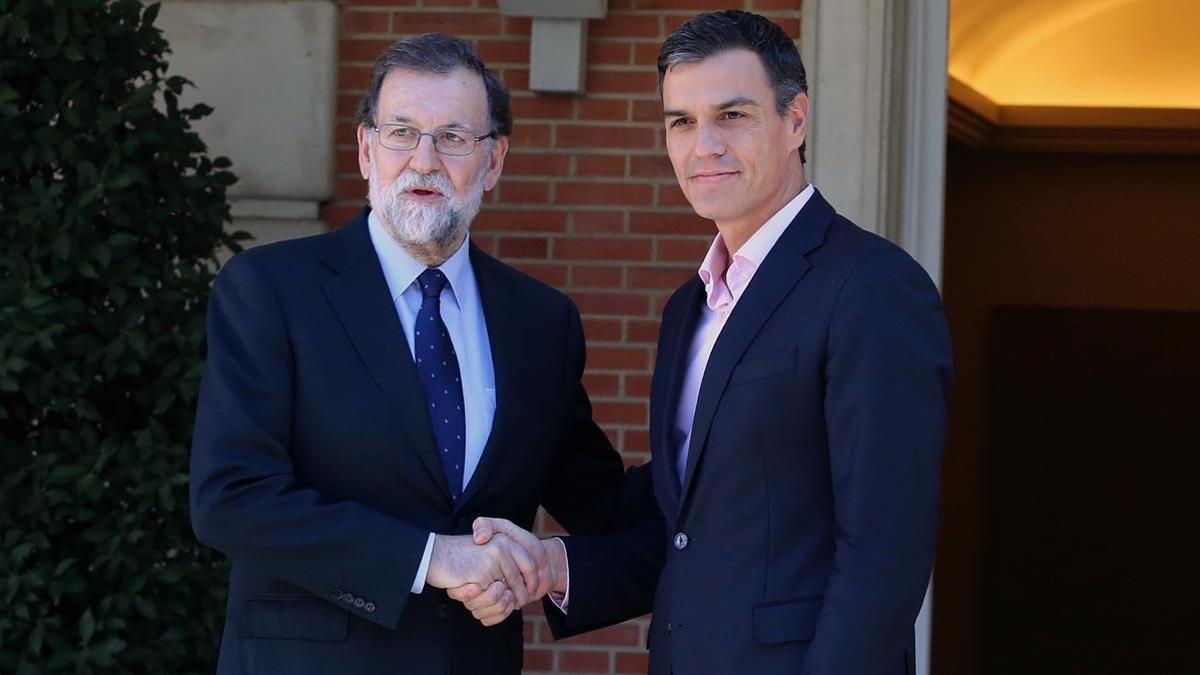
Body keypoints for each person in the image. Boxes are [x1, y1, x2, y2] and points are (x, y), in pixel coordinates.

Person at [456, 10, 954, 674]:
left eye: (733, 116)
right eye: (681, 122)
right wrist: (553, 563)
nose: (704, 146)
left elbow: (882, 553)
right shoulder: (689, 307)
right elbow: (687, 518)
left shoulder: (873, 287)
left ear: (796, 120)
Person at [189, 33, 649, 675]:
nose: (424, 161)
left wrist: (731, 451)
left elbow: (606, 509)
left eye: (455, 137)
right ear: (365, 148)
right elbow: (231, 497)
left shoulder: (541, 323)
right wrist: (433, 557)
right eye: (402, 132)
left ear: (493, 162)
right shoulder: (272, 291)